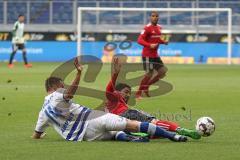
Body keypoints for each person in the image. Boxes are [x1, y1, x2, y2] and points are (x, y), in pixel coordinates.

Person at [32, 58, 187, 142]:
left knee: (115, 133)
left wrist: (42, 136)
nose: (63, 87)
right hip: (95, 120)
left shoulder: (42, 113)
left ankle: (128, 138)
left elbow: (36, 135)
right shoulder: (58, 94)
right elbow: (70, 93)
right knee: (135, 124)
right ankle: (172, 136)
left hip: (86, 137)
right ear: (56, 86)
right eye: (62, 85)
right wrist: (79, 74)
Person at [105, 57, 201, 139]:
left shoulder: (109, 105)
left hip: (118, 124)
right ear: (116, 91)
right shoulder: (113, 97)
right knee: (154, 122)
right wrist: (115, 74)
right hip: (127, 114)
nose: (128, 95)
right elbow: (109, 88)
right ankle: (179, 130)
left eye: (129, 93)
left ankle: (142, 134)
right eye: (126, 92)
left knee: (151, 132)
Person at [136, 11, 167, 99]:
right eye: (153, 16)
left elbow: (157, 39)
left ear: (158, 17)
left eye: (156, 16)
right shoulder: (147, 28)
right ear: (150, 17)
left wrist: (164, 42)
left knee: (162, 72)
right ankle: (138, 93)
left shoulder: (159, 28)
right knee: (149, 74)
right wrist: (149, 45)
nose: (155, 17)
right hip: (147, 55)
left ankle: (147, 86)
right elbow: (139, 40)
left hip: (155, 55)